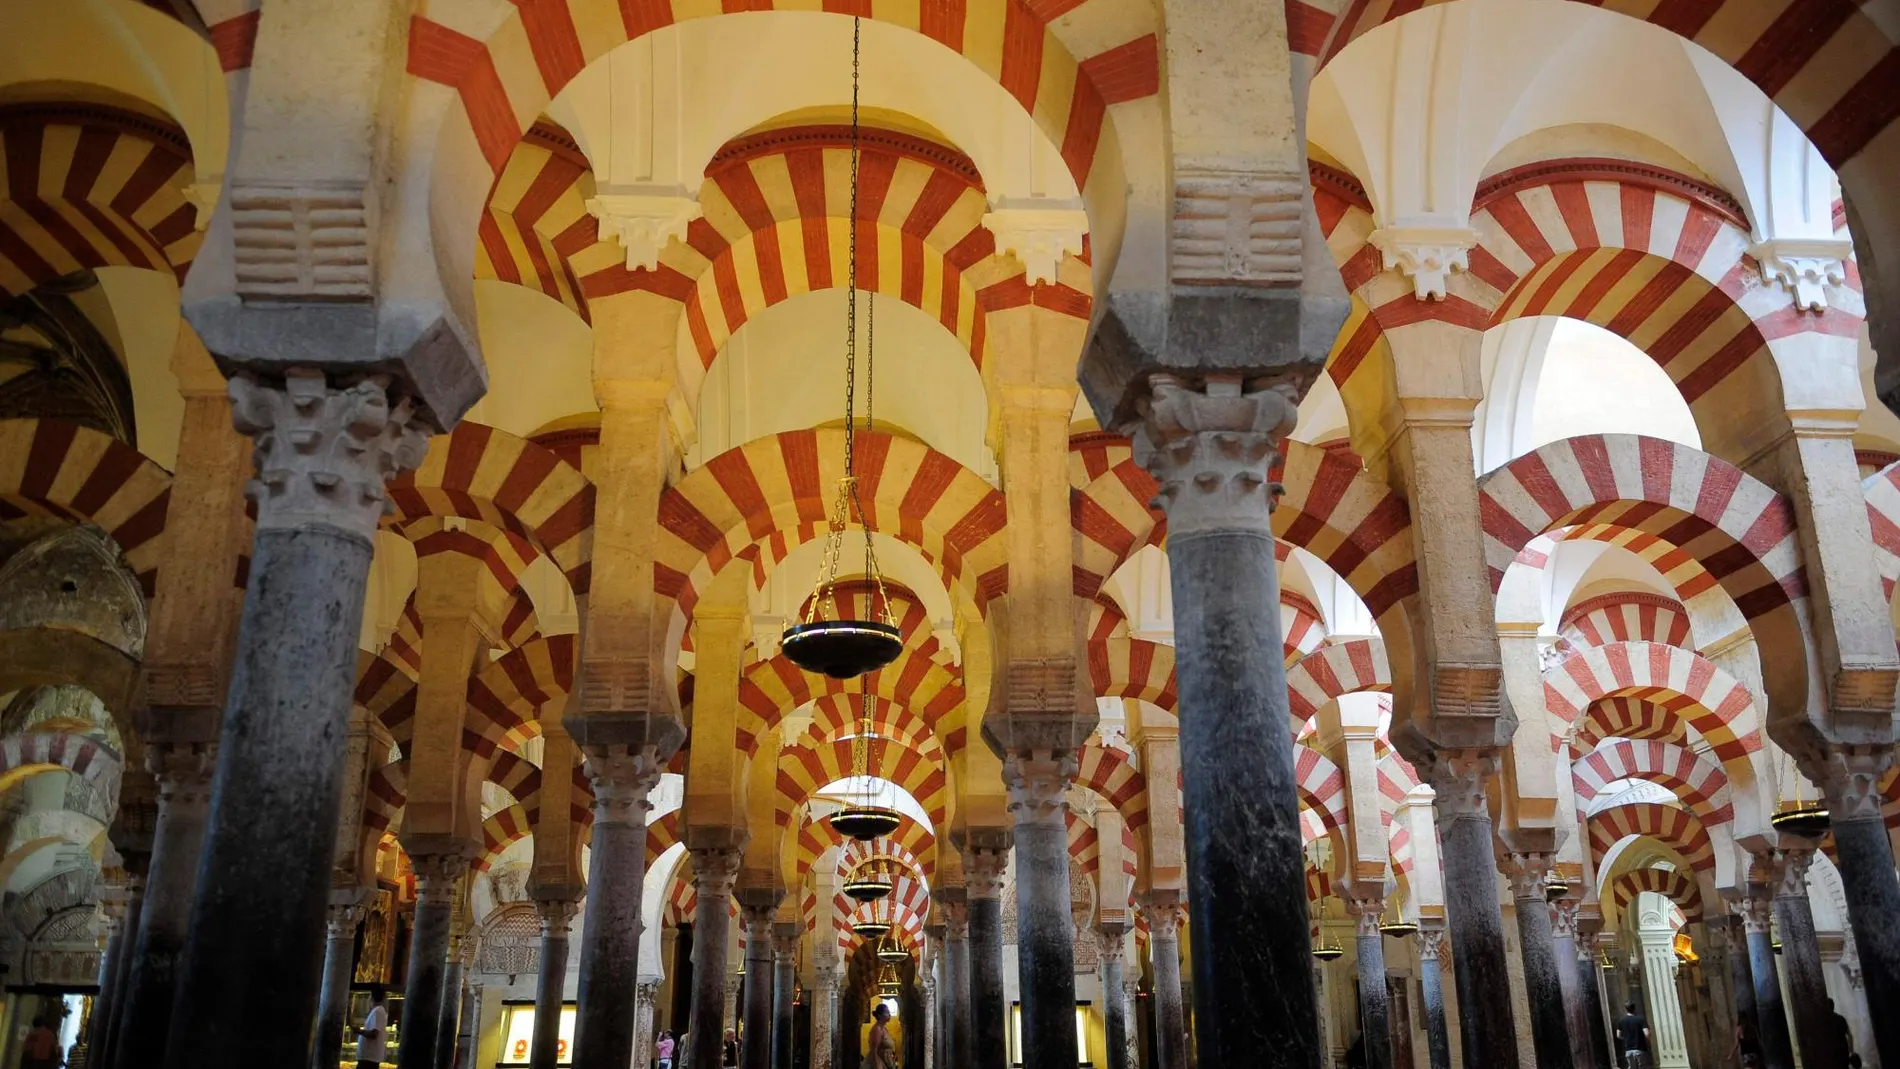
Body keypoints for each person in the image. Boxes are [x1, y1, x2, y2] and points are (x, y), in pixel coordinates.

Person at [356, 986, 390, 1069]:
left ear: (372, 997)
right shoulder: (377, 1011)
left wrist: (359, 1031)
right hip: (368, 1057)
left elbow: (374, 1034)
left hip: (369, 1058)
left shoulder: (378, 1011)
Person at [1616, 1000, 1651, 1069]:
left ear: (1626, 1009)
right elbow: (1646, 1034)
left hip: (1628, 1050)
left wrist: (1626, 1038)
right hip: (1639, 1049)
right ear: (1634, 1008)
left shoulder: (1622, 1020)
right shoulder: (1640, 1019)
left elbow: (1618, 1035)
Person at [863, 1004, 897, 1069]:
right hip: (879, 1064)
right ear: (880, 1015)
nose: (889, 1015)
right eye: (887, 1013)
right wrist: (878, 1065)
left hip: (887, 1062)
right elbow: (874, 1050)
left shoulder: (884, 1028)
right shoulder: (877, 1029)